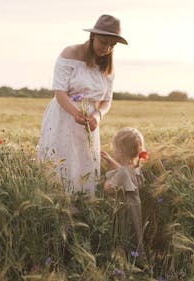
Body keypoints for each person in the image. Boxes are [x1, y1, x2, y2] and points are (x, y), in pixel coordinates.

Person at [37, 15, 128, 197]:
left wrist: (97, 116)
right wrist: (76, 113)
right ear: (93, 36)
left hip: (89, 124)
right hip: (63, 117)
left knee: (83, 166)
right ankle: (56, 205)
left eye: (112, 45)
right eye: (104, 42)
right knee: (60, 164)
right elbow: (60, 92)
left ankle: (82, 208)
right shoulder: (69, 54)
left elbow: (106, 101)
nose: (107, 48)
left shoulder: (108, 68)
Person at [101, 127, 148, 256]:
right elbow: (125, 172)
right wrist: (112, 161)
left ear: (121, 151)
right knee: (136, 236)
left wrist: (107, 180)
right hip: (135, 210)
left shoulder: (122, 173)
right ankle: (139, 259)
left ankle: (125, 261)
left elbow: (108, 188)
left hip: (125, 212)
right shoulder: (136, 169)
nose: (114, 151)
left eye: (115, 149)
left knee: (125, 237)